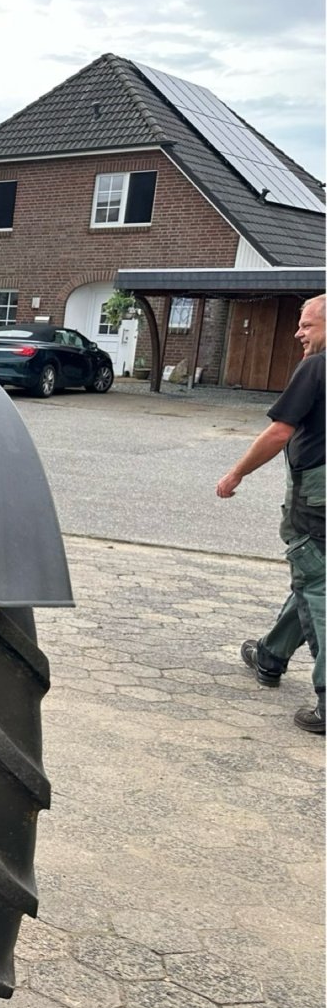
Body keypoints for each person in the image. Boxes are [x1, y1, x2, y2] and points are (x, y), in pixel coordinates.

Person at [217, 293, 325, 734]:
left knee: (317, 585)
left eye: (308, 325)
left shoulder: (318, 367)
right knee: (313, 576)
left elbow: (280, 430)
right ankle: (271, 655)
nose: (298, 333)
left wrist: (235, 474)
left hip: (315, 499)